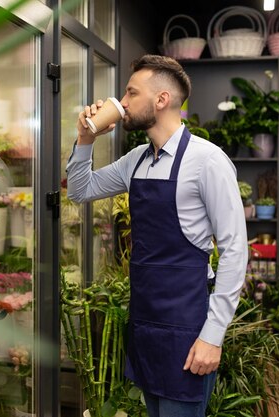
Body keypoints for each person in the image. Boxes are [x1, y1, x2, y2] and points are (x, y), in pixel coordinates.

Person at [66, 54, 248, 417]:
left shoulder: (207, 161)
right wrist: (85, 138)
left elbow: (235, 251)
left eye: (131, 93)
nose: (122, 102)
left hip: (188, 328)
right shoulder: (136, 159)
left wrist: (212, 336)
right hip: (146, 325)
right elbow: (79, 190)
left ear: (161, 100)